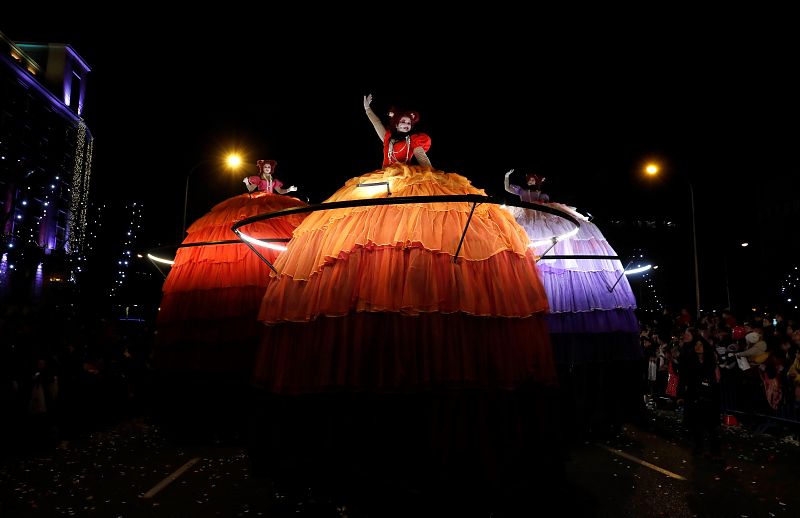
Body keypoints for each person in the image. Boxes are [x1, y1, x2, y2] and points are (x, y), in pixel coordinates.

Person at [678, 329, 722, 459]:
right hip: (695, 397)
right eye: (696, 345)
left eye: (700, 345)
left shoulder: (710, 362)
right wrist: (681, 395)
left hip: (709, 397)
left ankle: (714, 451)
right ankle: (699, 448)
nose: (698, 347)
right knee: (696, 425)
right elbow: (684, 378)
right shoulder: (691, 361)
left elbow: (715, 381)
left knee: (712, 426)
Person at [363, 93, 432, 168]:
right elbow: (376, 123)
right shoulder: (387, 138)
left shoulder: (413, 140)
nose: (406, 125)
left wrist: (430, 173)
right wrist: (367, 108)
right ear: (396, 125)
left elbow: (422, 158)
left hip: (405, 174)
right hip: (386, 173)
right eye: (403, 122)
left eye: (409, 123)